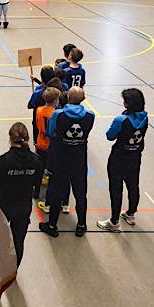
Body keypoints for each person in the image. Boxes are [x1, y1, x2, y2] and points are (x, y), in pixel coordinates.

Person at [39, 87, 95, 238]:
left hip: (61, 160)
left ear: (68, 97)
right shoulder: (90, 115)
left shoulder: (58, 114)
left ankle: (52, 225)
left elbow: (51, 132)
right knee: (80, 194)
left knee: (57, 193)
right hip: (79, 160)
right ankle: (81, 225)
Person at [0, 122, 42, 266]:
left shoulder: (3, 160)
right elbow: (38, 183)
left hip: (3, 206)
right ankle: (13, 271)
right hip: (23, 207)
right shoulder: (36, 160)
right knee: (18, 241)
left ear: (10, 138)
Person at [96, 89, 148, 232]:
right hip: (135, 157)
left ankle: (114, 221)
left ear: (127, 104)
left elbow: (110, 136)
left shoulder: (121, 119)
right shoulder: (145, 117)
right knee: (133, 185)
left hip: (119, 158)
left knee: (116, 188)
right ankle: (131, 214)